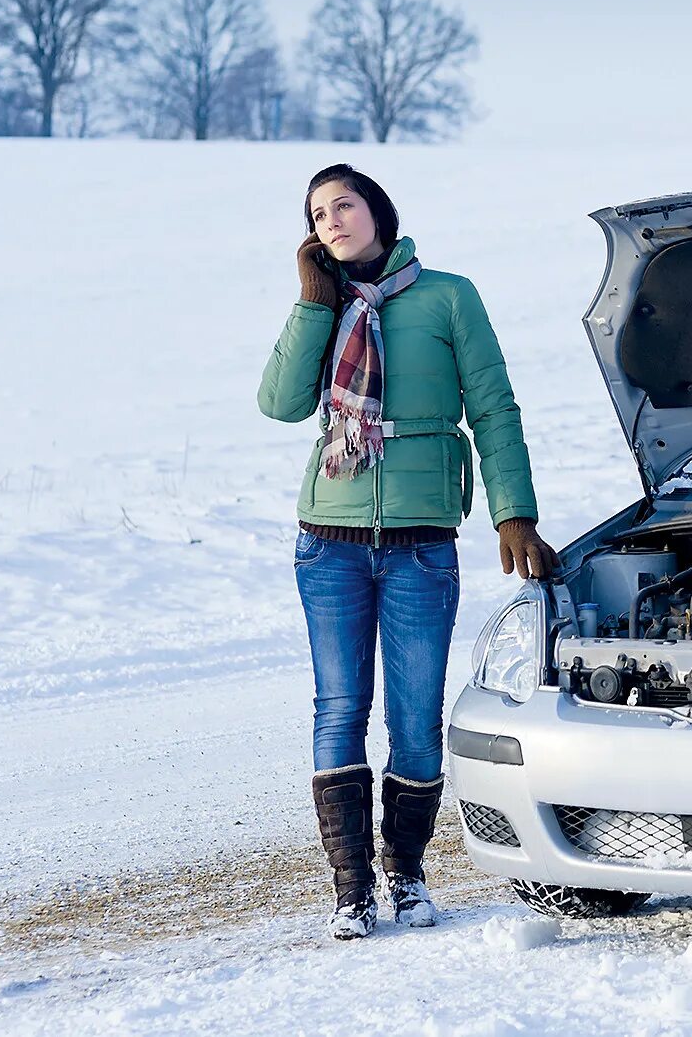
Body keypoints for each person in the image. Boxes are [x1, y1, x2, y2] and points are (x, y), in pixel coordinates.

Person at [257, 163, 558, 940]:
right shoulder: (324, 307)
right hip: (328, 542)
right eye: (317, 213)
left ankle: (410, 875)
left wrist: (512, 513)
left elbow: (493, 407)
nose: (331, 221)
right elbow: (283, 404)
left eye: (343, 205)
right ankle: (351, 889)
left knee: (416, 719)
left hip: (421, 542)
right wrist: (310, 302)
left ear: (378, 211)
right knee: (338, 711)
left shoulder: (448, 296)